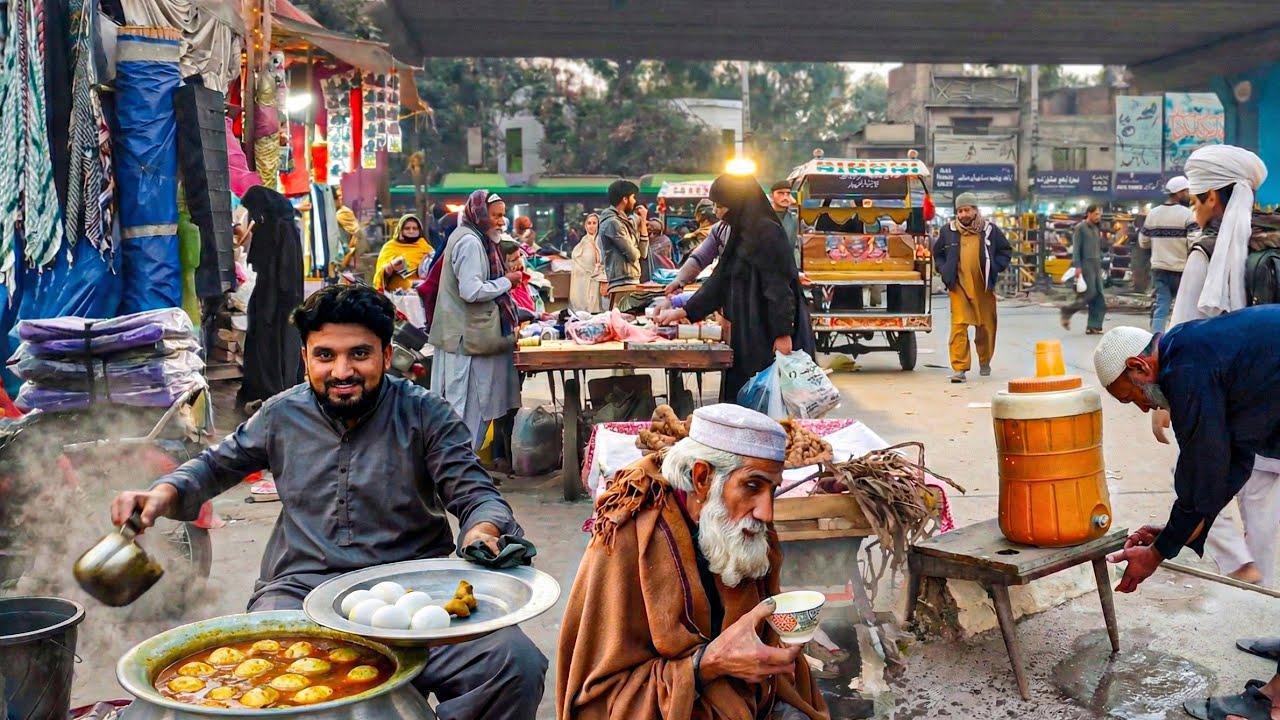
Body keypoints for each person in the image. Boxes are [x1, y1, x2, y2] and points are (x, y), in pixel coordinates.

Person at [109, 285, 547, 719]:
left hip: (415, 595)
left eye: (359, 354)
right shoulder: (280, 414)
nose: (342, 371)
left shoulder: (425, 413)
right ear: (305, 359)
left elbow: (475, 492)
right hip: (299, 590)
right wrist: (161, 493)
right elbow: (212, 467)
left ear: (386, 353)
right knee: (266, 678)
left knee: (512, 664)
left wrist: (483, 530)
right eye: (325, 356)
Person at [557, 404, 830, 720]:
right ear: (702, 478)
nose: (765, 513)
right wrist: (707, 664)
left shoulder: (747, 530)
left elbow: (765, 645)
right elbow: (596, 702)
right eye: (752, 486)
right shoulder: (629, 538)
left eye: (772, 490)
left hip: (743, 703)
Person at [1095, 314, 1280, 720]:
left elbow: (1203, 471)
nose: (1145, 406)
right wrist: (1177, 533)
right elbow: (1234, 459)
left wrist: (1159, 553)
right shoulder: (1188, 347)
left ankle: (1276, 702)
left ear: (1138, 367)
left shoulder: (1187, 370)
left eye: (1133, 397)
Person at [1157, 145, 1279, 587]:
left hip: (1227, 394)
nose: (1194, 210)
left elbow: (1180, 333)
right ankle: (1264, 591)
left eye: (1194, 199)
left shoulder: (1207, 251)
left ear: (1212, 197)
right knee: (1262, 495)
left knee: (1194, 471)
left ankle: (1243, 568)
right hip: (1271, 394)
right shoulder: (1275, 238)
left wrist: (1161, 402)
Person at [658, 174, 815, 403]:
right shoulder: (739, 232)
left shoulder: (767, 232)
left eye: (721, 206)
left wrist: (783, 335)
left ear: (738, 204)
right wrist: (685, 311)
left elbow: (779, 289)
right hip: (749, 328)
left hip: (769, 331)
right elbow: (721, 279)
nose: (717, 211)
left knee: (772, 404)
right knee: (747, 397)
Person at [429, 189, 523, 449]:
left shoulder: (474, 238)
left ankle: (461, 472)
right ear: (480, 214)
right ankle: (457, 475)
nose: (501, 221)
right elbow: (471, 291)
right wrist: (507, 281)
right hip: (466, 343)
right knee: (467, 412)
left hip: (467, 339)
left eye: (503, 215)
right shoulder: (470, 243)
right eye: (495, 215)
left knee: (468, 413)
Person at [932, 192, 1012, 383]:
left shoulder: (990, 230)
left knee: (986, 328)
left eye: (966, 210)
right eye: (959, 211)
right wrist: (944, 271)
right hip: (958, 286)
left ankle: (985, 361)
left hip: (983, 288)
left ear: (975, 210)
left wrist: (995, 267)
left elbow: (1005, 251)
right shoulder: (948, 231)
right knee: (959, 327)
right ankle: (959, 368)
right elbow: (938, 254)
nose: (963, 214)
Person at [1139, 176, 1197, 334]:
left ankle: (1155, 344)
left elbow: (1143, 242)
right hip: (1181, 270)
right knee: (1183, 310)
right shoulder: (1188, 214)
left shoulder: (1153, 214)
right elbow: (1194, 241)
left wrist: (1159, 245)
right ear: (1179, 192)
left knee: (1161, 307)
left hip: (1159, 268)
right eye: (1186, 191)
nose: (1189, 194)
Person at [1059, 205, 1107, 334]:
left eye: (1100, 214)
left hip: (1096, 264)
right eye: (1096, 214)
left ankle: (1094, 325)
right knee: (1089, 294)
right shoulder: (1080, 228)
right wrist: (1077, 266)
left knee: (1099, 296)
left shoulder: (1096, 229)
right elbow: (1076, 249)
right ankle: (1067, 310)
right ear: (1089, 214)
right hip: (1085, 264)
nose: (1098, 217)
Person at [599, 179, 649, 299]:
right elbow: (634, 255)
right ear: (625, 199)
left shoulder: (623, 222)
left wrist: (642, 221)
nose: (635, 201)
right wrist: (635, 248)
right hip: (622, 282)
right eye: (633, 197)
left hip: (630, 281)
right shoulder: (613, 223)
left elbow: (644, 253)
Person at [373, 214, 433, 292]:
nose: (411, 231)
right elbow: (380, 275)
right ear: (400, 230)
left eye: (415, 228)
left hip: (422, 295)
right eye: (407, 228)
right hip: (395, 296)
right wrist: (390, 267)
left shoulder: (426, 248)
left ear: (420, 230)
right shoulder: (389, 247)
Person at [569, 213, 606, 313]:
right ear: (585, 225)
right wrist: (588, 270)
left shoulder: (603, 241)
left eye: (594, 223)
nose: (591, 225)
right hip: (586, 281)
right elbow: (576, 258)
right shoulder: (583, 242)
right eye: (589, 223)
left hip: (601, 281)